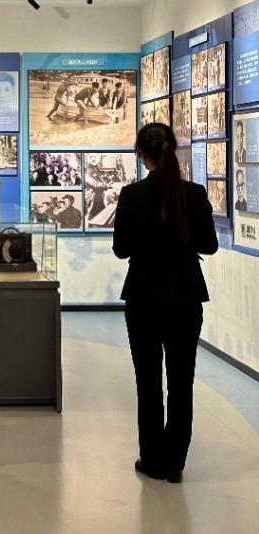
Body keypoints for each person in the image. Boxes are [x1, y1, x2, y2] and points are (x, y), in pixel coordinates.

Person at [112, 122, 218, 484]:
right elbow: (209, 245)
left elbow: (121, 249)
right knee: (181, 382)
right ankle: (175, 462)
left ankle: (152, 459)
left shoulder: (132, 195)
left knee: (148, 381)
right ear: (173, 149)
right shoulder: (194, 193)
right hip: (186, 298)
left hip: (143, 298)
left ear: (142, 155)